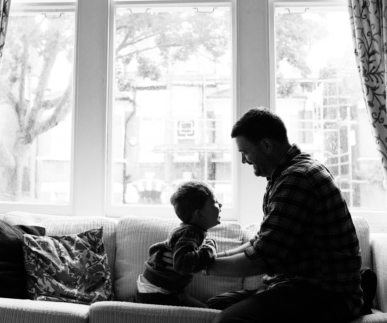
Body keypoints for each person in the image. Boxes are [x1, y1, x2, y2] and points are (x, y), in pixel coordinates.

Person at [201, 107, 363, 323]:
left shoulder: (298, 179)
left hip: (327, 294)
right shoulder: (284, 175)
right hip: (295, 285)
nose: (244, 161)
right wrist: (211, 257)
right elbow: (260, 241)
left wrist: (202, 266)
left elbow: (263, 258)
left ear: (266, 145)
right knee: (215, 305)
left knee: (228, 321)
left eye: (245, 153)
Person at [136, 180, 222, 308]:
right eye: (214, 202)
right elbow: (184, 265)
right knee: (207, 314)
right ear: (199, 214)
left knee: (207, 310)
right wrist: (210, 247)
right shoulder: (191, 233)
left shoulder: (187, 230)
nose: (220, 204)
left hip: (159, 288)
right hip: (157, 293)